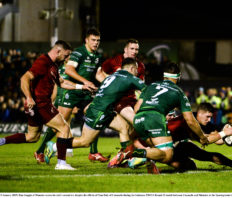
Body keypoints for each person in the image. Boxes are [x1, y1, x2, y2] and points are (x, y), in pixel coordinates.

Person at [0, 40, 92, 170]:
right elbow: (24, 78)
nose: (67, 58)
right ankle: (61, 163)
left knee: (32, 137)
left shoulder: (53, 66)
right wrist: (29, 97)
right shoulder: (43, 61)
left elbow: (62, 83)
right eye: (66, 55)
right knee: (64, 128)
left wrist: (82, 87)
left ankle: (2, 141)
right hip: (41, 103)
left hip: (36, 105)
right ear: (58, 51)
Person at [44, 58, 146, 167]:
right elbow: (148, 90)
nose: (137, 72)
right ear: (132, 68)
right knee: (85, 142)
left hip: (103, 110)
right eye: (136, 69)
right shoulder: (130, 77)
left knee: (124, 127)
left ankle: (129, 158)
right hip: (99, 112)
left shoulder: (112, 76)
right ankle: (54, 147)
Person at [113, 62, 209, 170]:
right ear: (179, 76)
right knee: (167, 155)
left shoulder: (151, 86)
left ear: (164, 76)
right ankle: (133, 153)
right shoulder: (179, 92)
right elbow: (190, 120)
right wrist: (202, 137)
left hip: (139, 119)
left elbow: (136, 109)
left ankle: (145, 160)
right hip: (154, 119)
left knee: (156, 148)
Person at [35, 28, 109, 163]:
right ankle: (40, 150)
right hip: (71, 92)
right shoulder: (78, 53)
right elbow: (69, 70)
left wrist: (111, 82)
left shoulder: (97, 56)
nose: (96, 43)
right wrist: (85, 81)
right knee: (60, 124)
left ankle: (93, 152)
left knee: (95, 116)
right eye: (93, 40)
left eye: (98, 40)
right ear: (86, 40)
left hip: (86, 92)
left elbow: (99, 74)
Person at [96, 39, 146, 166]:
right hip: (118, 101)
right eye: (132, 49)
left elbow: (140, 86)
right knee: (134, 124)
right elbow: (98, 73)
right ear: (125, 49)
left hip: (132, 100)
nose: (134, 52)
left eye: (137, 49)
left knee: (129, 128)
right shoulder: (114, 61)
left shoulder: (140, 66)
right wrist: (108, 86)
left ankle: (125, 155)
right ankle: (132, 155)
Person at [167, 102, 232, 172]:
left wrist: (226, 137)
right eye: (207, 116)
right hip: (162, 142)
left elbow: (216, 140)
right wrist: (224, 132)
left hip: (180, 144)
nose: (209, 120)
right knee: (177, 164)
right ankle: (154, 161)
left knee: (192, 165)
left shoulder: (206, 124)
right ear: (200, 113)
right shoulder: (190, 119)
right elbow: (205, 140)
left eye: (210, 117)